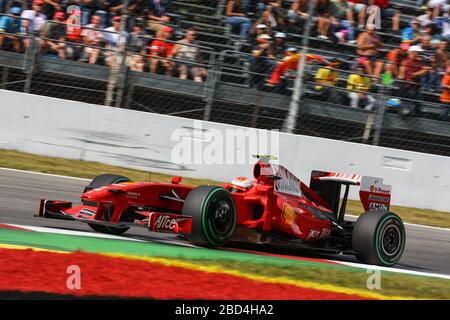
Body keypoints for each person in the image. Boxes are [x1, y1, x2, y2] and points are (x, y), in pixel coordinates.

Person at [398, 45, 432, 116]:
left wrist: (425, 69)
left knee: (418, 106)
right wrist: (424, 71)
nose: (419, 54)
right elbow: (413, 75)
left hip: (415, 88)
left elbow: (424, 69)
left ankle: (415, 113)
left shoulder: (418, 61)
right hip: (407, 88)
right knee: (406, 109)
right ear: (413, 52)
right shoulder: (406, 62)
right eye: (418, 52)